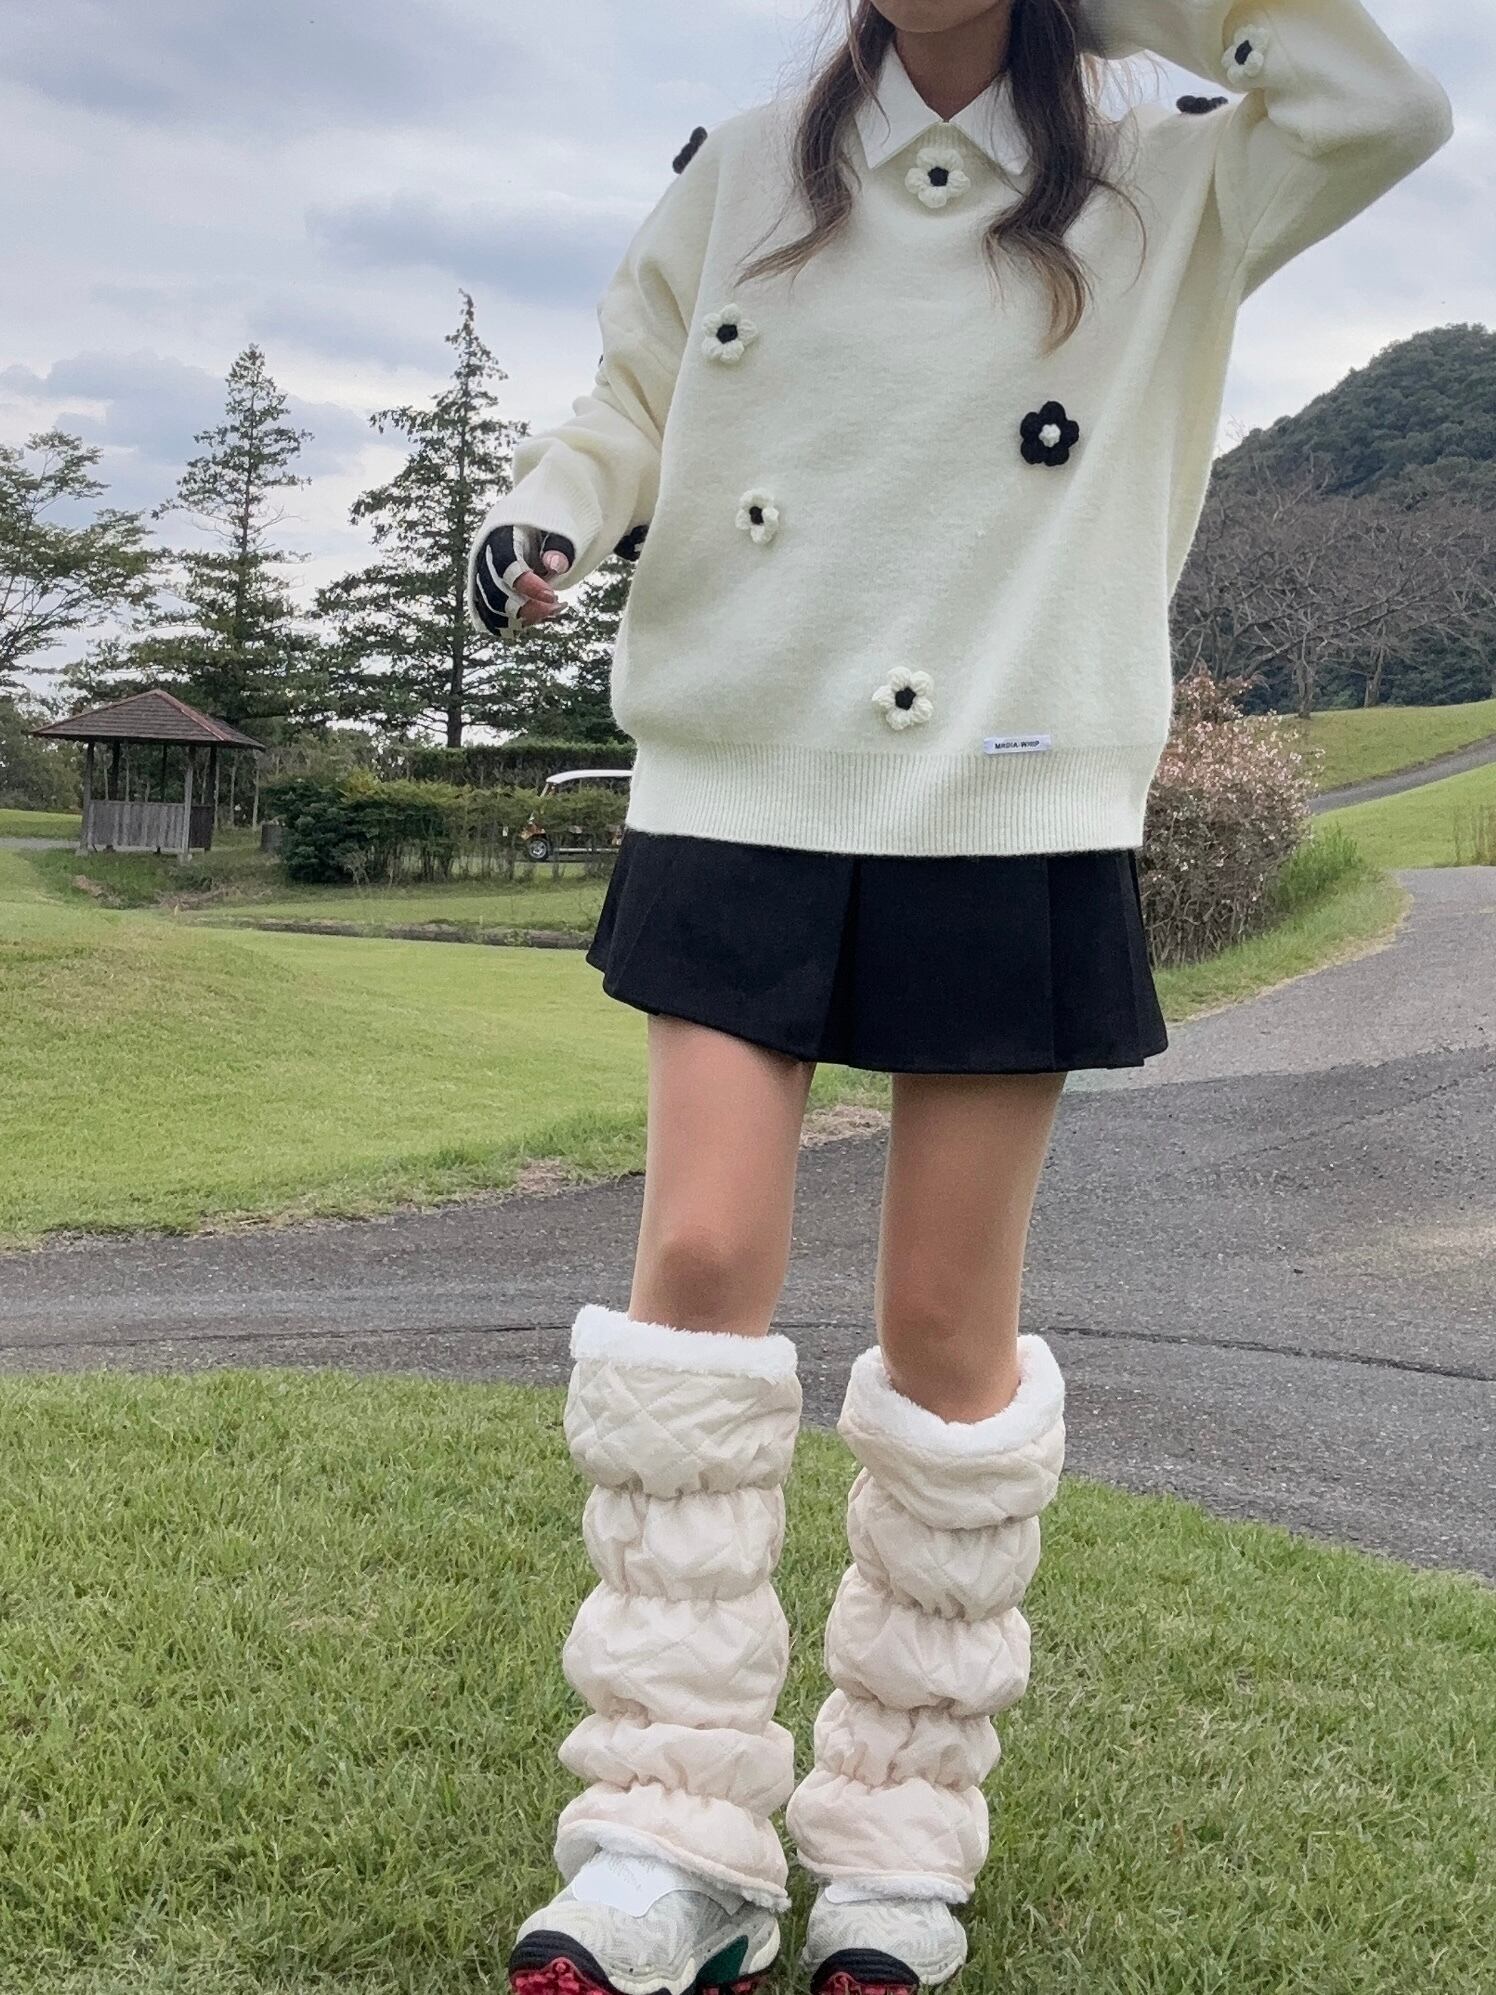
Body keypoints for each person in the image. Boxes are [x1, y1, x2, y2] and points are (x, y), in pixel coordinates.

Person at [474, 4, 1451, 1991]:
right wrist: (555, 506)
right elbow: (632, 390)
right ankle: (668, 1830)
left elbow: (1386, 101)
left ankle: (897, 1837)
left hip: (1009, 781)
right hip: (740, 761)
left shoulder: (1172, 166)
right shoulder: (747, 159)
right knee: (699, 1256)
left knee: (943, 1321)